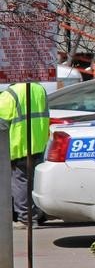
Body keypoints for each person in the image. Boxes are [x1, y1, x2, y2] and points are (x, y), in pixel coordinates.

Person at [0, 82, 49, 229]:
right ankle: (36, 214)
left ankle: (26, 219)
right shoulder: (39, 89)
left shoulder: (11, 94)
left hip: (19, 145)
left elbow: (2, 121)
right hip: (39, 144)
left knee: (20, 182)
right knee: (34, 183)